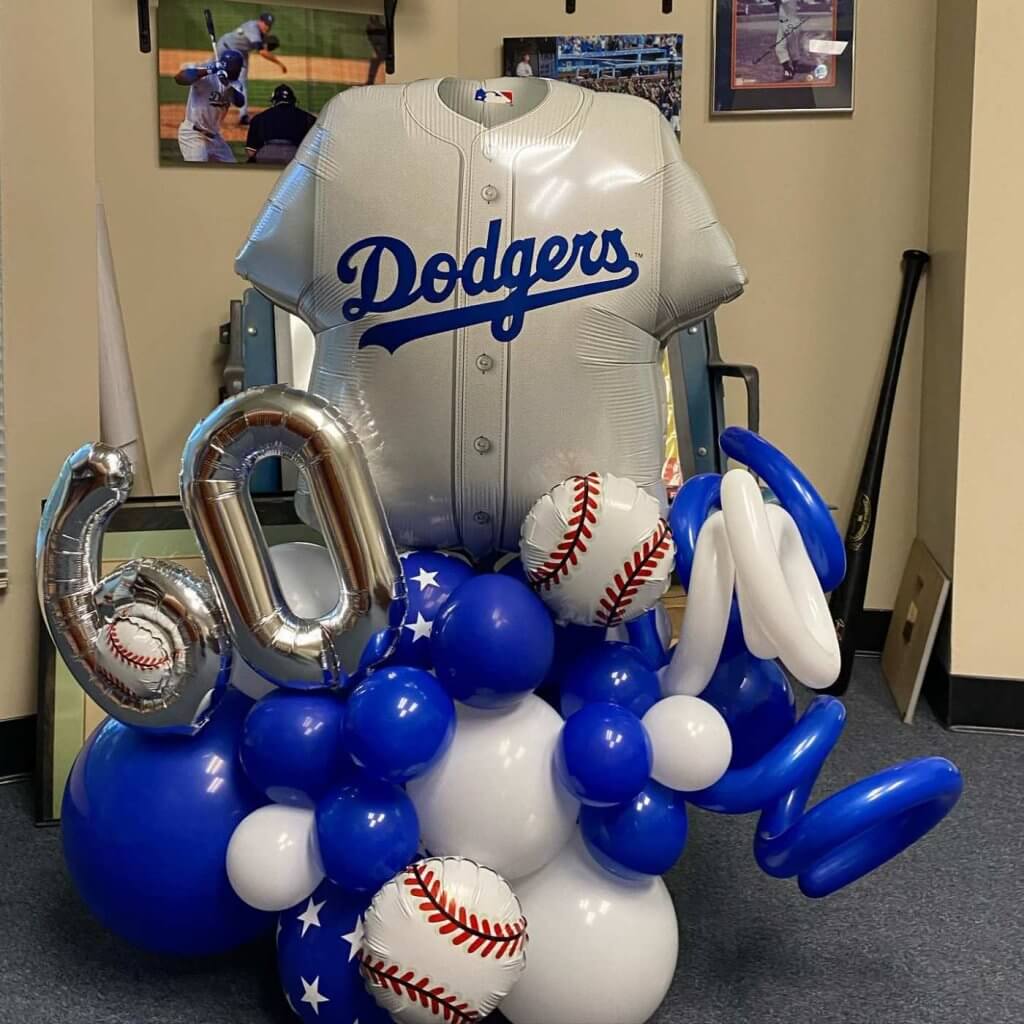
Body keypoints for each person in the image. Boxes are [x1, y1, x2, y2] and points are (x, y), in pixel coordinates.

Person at [174, 49, 244, 162]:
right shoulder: (207, 78)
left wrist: (227, 85)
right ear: (231, 68)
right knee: (198, 175)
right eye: (238, 69)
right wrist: (209, 70)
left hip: (214, 138)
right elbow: (179, 78)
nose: (240, 71)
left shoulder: (235, 84)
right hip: (193, 134)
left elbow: (240, 102)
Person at [217, 11, 286, 124]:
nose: (267, 27)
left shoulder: (261, 32)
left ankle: (243, 115)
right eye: (265, 24)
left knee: (242, 82)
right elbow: (262, 52)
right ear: (260, 21)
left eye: (269, 25)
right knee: (218, 75)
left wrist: (267, 43)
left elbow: (262, 43)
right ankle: (214, 103)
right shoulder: (252, 27)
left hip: (242, 53)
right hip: (225, 48)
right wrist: (279, 63)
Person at [245, 83, 316, 164]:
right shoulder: (308, 118)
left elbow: (251, 152)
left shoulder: (259, 118)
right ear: (293, 101)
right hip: (294, 158)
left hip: (266, 156)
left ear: (274, 101)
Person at [774, 0, 807, 80]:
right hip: (784, 23)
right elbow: (777, 6)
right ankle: (791, 69)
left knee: (787, 48)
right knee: (785, 48)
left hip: (790, 24)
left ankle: (788, 70)